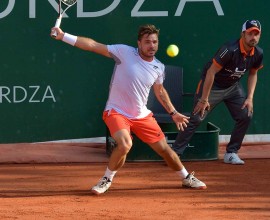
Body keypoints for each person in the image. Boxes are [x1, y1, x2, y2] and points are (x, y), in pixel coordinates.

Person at [50, 24, 207, 194]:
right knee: (125, 144)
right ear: (139, 43)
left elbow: (160, 91)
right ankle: (106, 179)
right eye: (147, 42)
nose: (152, 45)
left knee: (165, 150)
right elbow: (94, 46)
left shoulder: (159, 67)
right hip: (116, 111)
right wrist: (63, 36)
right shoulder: (124, 52)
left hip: (141, 115)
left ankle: (185, 177)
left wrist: (173, 113)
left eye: (155, 42)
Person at [172, 20, 263, 165]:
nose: (253, 37)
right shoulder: (229, 49)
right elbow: (211, 72)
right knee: (197, 117)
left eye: (256, 34)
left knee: (246, 114)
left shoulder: (258, 53)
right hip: (213, 85)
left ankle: (231, 153)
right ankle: (175, 153)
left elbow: (253, 74)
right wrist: (204, 99)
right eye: (250, 33)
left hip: (233, 87)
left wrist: (250, 97)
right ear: (243, 34)